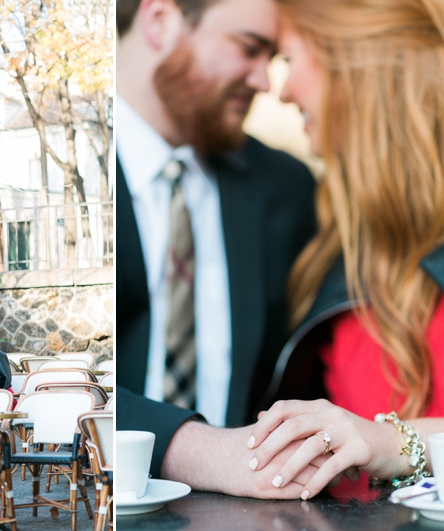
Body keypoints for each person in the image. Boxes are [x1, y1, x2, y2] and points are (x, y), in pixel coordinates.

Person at [246, 0, 444, 500]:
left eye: (289, 59)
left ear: (353, 55)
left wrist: (394, 442)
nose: (280, 89)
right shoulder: (320, 229)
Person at [116, 0, 324, 497]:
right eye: (249, 49)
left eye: (273, 58)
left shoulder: (287, 189)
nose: (264, 82)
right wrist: (198, 450)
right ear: (161, 20)